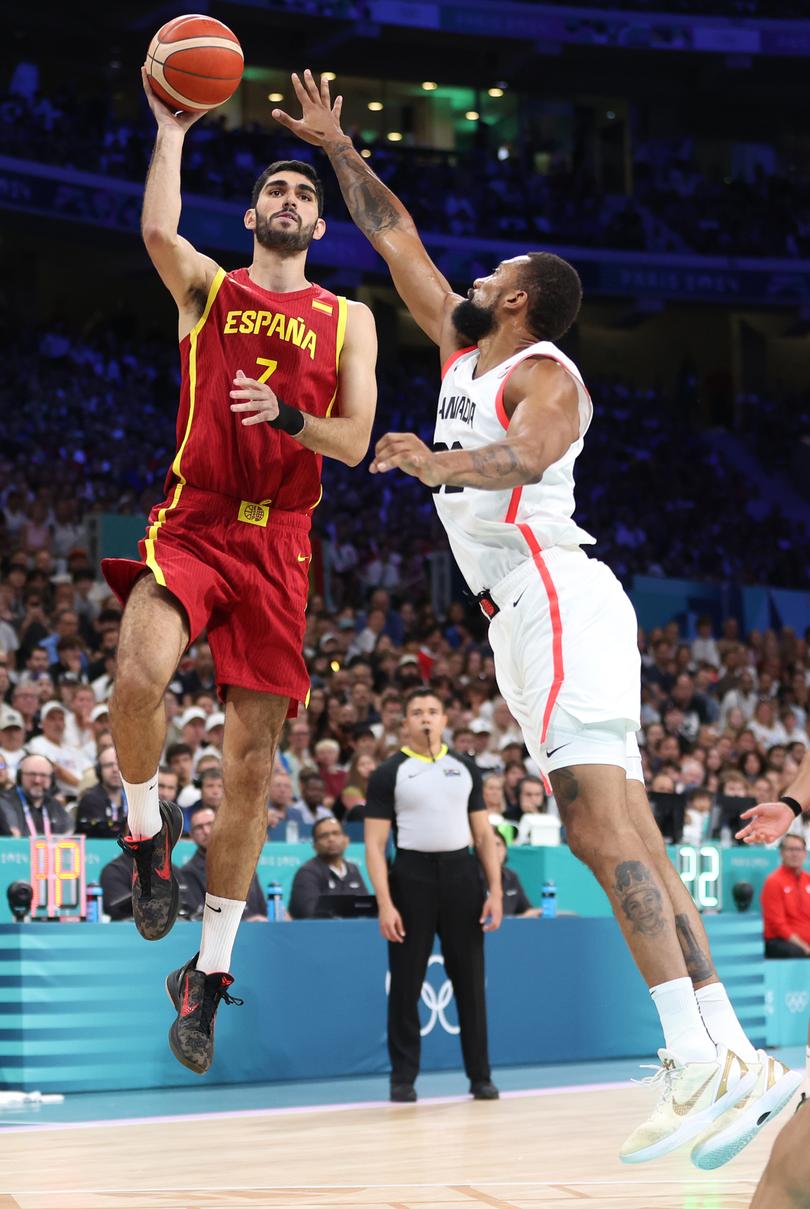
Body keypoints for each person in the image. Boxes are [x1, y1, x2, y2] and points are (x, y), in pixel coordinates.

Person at [273, 69, 796, 1162]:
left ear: (519, 299)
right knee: (637, 835)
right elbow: (396, 235)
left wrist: (436, 463)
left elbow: (533, 455)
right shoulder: (466, 352)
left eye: (496, 269)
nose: (475, 269)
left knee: (599, 828)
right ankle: (731, 1055)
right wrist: (335, 146)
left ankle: (695, 1056)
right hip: (527, 613)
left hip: (553, 592)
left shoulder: (547, 374)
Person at [96, 68, 378, 1076]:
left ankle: (206, 975)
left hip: (282, 543)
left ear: (318, 222)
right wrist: (171, 130)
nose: (292, 201)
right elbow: (158, 237)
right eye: (277, 190)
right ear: (253, 212)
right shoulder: (211, 291)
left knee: (252, 770)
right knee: (138, 677)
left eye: (306, 194)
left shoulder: (349, 320)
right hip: (199, 517)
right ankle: (142, 831)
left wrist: (289, 419)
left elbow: (353, 441)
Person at [363, 687, 502, 1103]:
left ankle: (481, 1077)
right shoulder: (389, 772)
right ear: (404, 723)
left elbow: (483, 834)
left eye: (433, 711)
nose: (426, 718)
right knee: (406, 982)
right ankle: (403, 1078)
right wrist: (385, 902)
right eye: (417, 712)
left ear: (445, 720)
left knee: (471, 982)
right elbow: (373, 845)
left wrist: (494, 890)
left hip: (462, 876)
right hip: (412, 876)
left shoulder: (465, 769)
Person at [181, 805, 266, 920]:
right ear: (191, 835)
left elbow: (262, 908)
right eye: (199, 828)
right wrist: (245, 921)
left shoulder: (244, 863)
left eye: (210, 824)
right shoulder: (189, 872)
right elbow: (199, 915)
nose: (206, 831)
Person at [288, 816, 368, 918]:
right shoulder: (307, 872)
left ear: (346, 840)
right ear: (314, 845)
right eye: (324, 836)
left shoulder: (353, 869)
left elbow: (366, 908)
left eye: (336, 833)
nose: (331, 839)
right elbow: (309, 913)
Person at [0, 752, 73, 836]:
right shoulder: (4, 803)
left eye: (43, 775)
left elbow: (67, 836)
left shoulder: (55, 806)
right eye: (32, 774)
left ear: (51, 779)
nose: (37, 780)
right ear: (20, 776)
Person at [761, 835, 810, 959]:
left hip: (805, 941)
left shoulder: (808, 879)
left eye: (798, 849)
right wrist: (804, 947)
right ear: (781, 853)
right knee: (796, 952)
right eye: (790, 849)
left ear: (805, 853)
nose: (795, 854)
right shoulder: (773, 881)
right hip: (781, 941)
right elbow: (777, 925)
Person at [75, 749, 127, 838]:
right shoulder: (90, 800)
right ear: (99, 770)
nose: (115, 769)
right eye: (109, 765)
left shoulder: (131, 798)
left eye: (120, 765)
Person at [490, 830, 541, 917]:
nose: (495, 850)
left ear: (505, 849)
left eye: (498, 845)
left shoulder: (511, 877)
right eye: (490, 846)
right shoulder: (474, 877)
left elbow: (526, 910)